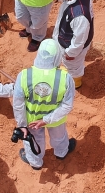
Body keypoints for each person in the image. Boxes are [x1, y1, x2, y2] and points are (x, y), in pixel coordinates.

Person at [12, 39, 77, 170]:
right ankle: (61, 153)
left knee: (34, 142)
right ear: (58, 55)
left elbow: (18, 105)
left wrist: (22, 125)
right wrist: (47, 120)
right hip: (56, 120)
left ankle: (35, 162)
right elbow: (67, 105)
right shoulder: (65, 78)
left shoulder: (24, 75)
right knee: (59, 137)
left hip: (32, 120)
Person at [47, 0, 94, 89]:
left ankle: (75, 82)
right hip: (70, 34)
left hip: (73, 46)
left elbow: (79, 40)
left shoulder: (79, 16)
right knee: (71, 63)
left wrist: (71, 53)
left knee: (73, 65)